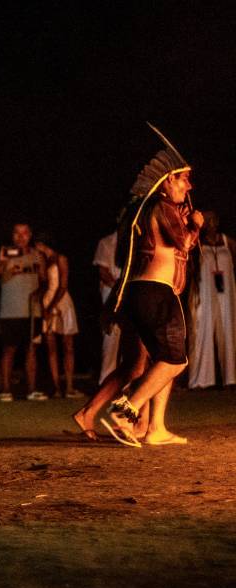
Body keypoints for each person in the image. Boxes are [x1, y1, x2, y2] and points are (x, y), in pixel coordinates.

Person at [100, 124, 202, 447]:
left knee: (163, 360)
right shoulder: (161, 207)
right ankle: (124, 411)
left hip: (142, 294)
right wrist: (195, 226)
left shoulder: (146, 209)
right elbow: (183, 243)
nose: (189, 185)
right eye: (183, 178)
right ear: (168, 179)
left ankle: (154, 426)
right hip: (157, 293)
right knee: (176, 360)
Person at [0, 223, 47, 402]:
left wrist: (40, 292)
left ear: (30, 235)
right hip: (10, 311)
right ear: (12, 235)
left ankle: (32, 390)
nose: (21, 237)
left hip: (32, 311)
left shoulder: (37, 255)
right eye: (17, 233)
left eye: (25, 233)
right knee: (9, 350)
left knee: (31, 349)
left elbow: (44, 280)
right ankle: (5, 390)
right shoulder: (6, 254)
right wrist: (1, 262)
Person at [187, 210, 236, 388]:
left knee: (229, 329)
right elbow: (189, 265)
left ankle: (231, 378)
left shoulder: (226, 241)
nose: (211, 222)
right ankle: (201, 380)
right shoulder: (197, 242)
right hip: (205, 290)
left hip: (225, 290)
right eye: (207, 220)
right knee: (202, 331)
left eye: (214, 219)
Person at [35, 236, 82, 398]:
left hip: (61, 300)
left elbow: (63, 285)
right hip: (48, 299)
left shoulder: (61, 258)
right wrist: (44, 305)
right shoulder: (43, 260)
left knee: (68, 345)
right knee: (51, 346)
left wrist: (52, 306)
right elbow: (42, 283)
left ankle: (69, 386)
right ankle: (56, 387)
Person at [93, 231, 122, 383]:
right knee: (112, 334)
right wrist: (118, 287)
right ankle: (106, 379)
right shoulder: (107, 242)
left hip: (134, 291)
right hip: (112, 292)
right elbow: (103, 271)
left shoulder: (140, 238)